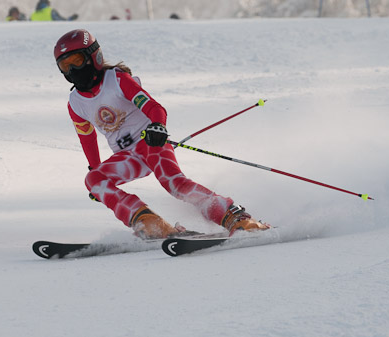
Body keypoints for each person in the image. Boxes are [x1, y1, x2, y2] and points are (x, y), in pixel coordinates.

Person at [53, 29, 269, 239]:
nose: (72, 70)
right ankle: (148, 222)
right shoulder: (75, 103)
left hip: (150, 142)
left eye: (76, 62)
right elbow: (86, 136)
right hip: (127, 156)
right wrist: (95, 167)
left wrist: (158, 126)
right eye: (65, 66)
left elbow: (154, 108)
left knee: (175, 184)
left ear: (93, 57)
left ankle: (235, 217)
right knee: (94, 179)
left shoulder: (117, 80)